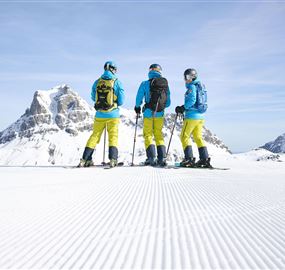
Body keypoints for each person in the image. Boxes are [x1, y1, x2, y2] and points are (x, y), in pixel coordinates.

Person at [78, 61, 125, 167]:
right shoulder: (117, 82)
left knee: (94, 136)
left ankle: (85, 159)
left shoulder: (97, 82)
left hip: (99, 114)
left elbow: (93, 97)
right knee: (113, 136)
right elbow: (121, 101)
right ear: (114, 70)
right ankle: (113, 159)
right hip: (113, 114)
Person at [134, 64, 171, 167]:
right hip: (160, 113)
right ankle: (161, 159)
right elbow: (168, 103)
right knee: (158, 134)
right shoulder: (165, 85)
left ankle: (151, 158)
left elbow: (139, 98)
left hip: (148, 113)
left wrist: (137, 107)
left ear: (150, 71)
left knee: (148, 134)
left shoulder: (145, 83)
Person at [175, 68, 212, 168]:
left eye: (187, 77)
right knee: (198, 137)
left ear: (192, 77)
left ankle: (189, 159)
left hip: (192, 116)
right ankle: (204, 159)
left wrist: (183, 107)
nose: (186, 79)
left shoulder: (192, 87)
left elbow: (192, 100)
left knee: (184, 136)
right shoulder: (200, 86)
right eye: (185, 77)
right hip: (200, 117)